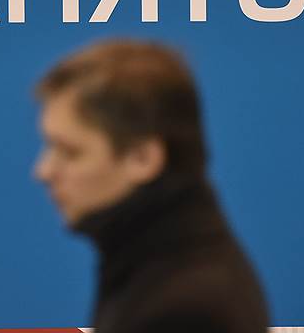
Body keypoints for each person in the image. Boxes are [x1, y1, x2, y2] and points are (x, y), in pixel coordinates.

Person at [33, 40, 269, 333]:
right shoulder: (148, 265)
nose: (43, 171)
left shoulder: (186, 309)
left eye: (70, 152)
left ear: (143, 158)